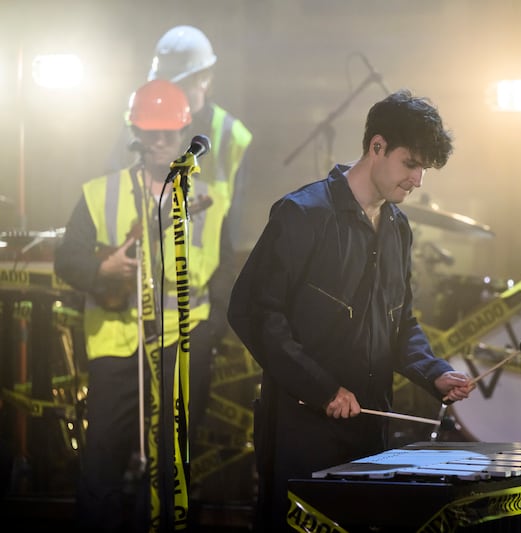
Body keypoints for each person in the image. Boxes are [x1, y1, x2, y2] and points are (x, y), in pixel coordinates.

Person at [227, 89, 476, 531]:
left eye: (423, 168)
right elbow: (253, 312)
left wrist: (433, 372)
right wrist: (323, 388)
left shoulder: (398, 228)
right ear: (376, 147)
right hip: (301, 430)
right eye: (410, 163)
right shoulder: (302, 214)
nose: (418, 180)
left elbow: (399, 323)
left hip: (369, 432)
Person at [54, 79, 236, 532]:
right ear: (136, 132)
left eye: (168, 132)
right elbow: (67, 259)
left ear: (183, 131)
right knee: (101, 466)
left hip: (183, 345)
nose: (159, 141)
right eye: (150, 132)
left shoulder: (210, 198)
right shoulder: (101, 192)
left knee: (171, 469)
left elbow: (229, 274)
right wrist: (102, 272)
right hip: (117, 345)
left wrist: (209, 334)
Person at [109, 24, 253, 252]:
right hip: (139, 272)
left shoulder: (230, 137)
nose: (170, 95)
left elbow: (231, 228)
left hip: (201, 277)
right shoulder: (134, 126)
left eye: (180, 85)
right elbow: (112, 198)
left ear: (205, 80)